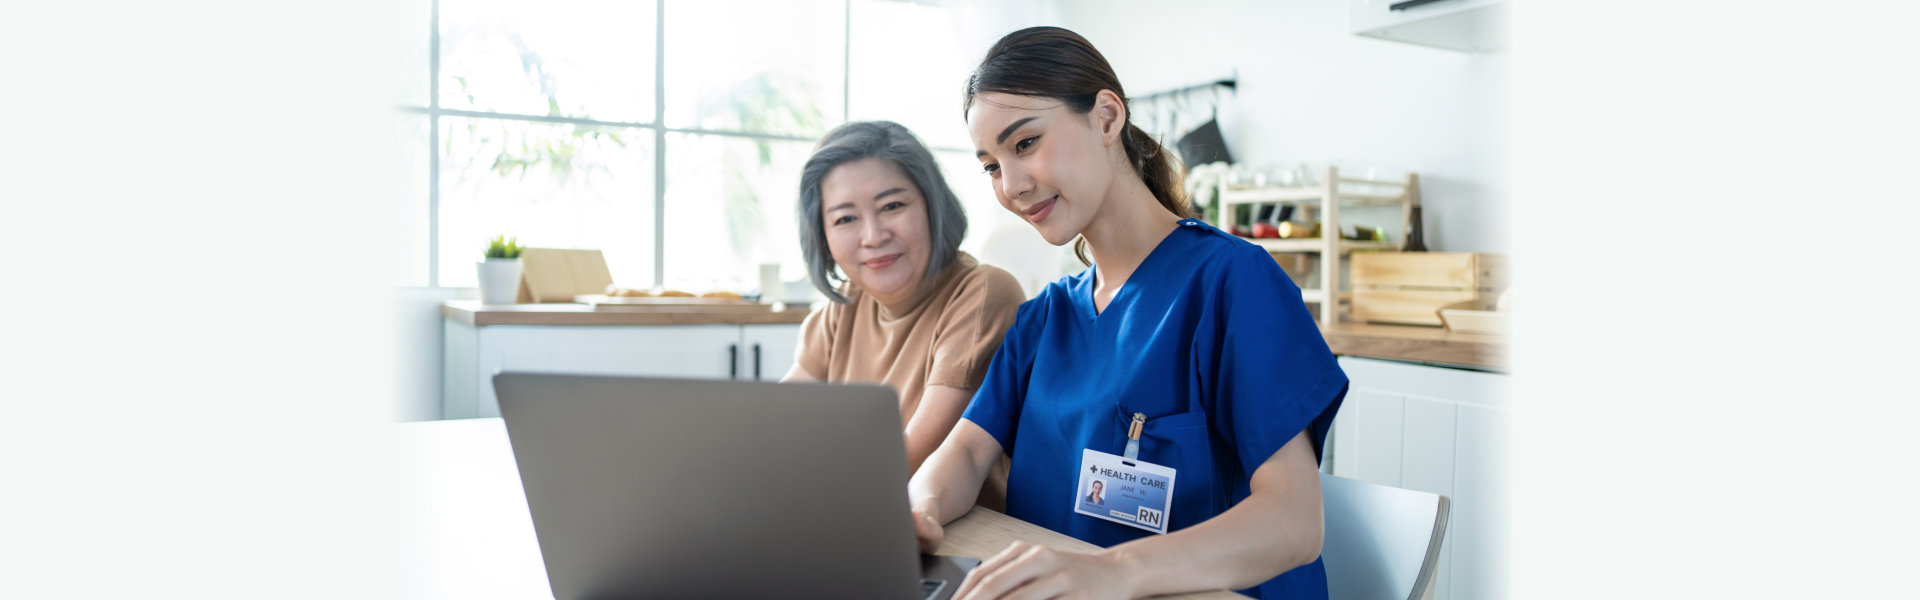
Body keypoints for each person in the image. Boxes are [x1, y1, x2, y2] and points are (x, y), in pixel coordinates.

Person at [906, 27, 1348, 600]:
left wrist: (1110, 571)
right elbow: (965, 452)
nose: (1010, 185)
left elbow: (1293, 524)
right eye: (990, 165)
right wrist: (920, 508)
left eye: (1025, 144)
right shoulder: (1044, 319)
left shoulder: (1233, 283)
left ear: (1107, 118)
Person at [784, 121, 1026, 495]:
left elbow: (914, 457)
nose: (873, 236)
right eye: (845, 218)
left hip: (957, 536)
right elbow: (774, 426)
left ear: (933, 206)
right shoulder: (842, 307)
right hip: (850, 510)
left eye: (892, 206)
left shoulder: (982, 292)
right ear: (822, 234)